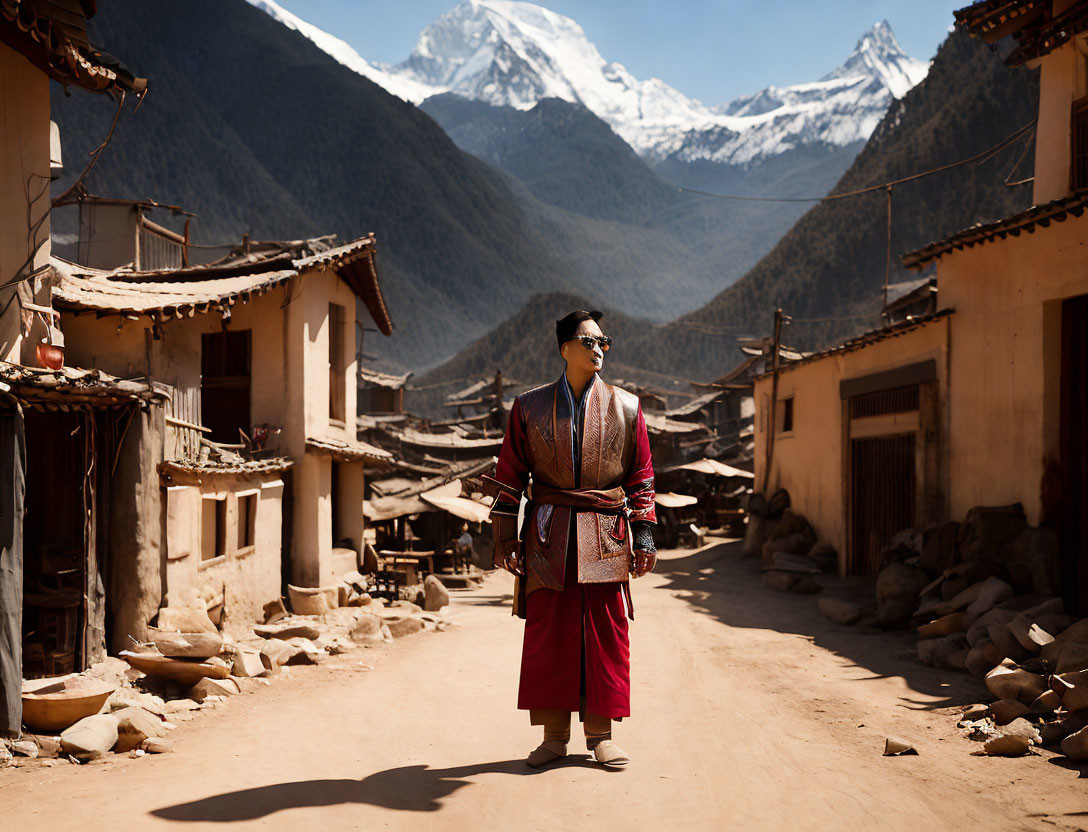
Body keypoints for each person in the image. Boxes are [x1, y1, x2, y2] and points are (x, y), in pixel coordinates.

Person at [484, 309, 657, 769]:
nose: (598, 349)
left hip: (606, 530)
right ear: (564, 349)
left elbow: (641, 476)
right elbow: (509, 478)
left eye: (604, 342)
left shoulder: (628, 407)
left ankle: (601, 735)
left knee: (605, 631)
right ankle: (554, 736)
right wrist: (504, 540)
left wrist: (643, 535)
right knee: (550, 633)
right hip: (547, 531)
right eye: (588, 342)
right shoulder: (529, 407)